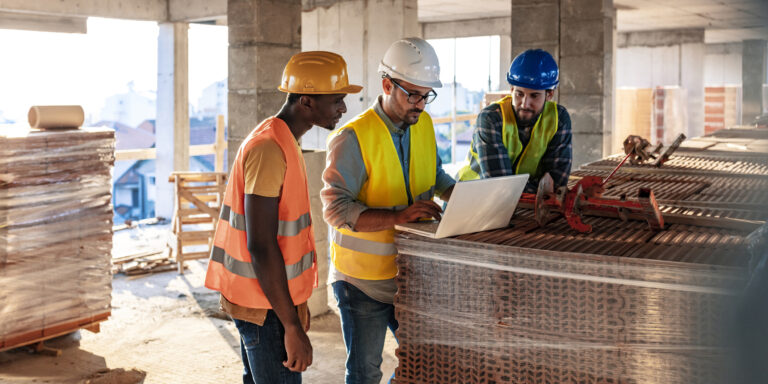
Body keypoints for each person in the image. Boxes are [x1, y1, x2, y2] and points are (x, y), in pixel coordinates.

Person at [204, 51, 361, 384]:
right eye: (336, 100)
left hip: (269, 299)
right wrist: (290, 325)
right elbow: (260, 245)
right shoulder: (269, 149)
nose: (343, 108)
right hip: (265, 307)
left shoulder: (283, 140)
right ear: (306, 101)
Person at [321, 37, 456, 384]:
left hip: (412, 275)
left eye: (427, 95)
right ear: (386, 85)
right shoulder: (353, 137)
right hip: (361, 283)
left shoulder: (422, 124)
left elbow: (435, 174)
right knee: (365, 373)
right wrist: (399, 216)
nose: (421, 105)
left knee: (425, 364)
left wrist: (459, 194)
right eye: (413, 94)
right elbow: (337, 210)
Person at [457, 49, 572, 194]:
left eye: (534, 96)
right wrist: (543, 190)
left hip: (519, 205)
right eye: (519, 94)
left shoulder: (559, 119)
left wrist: (548, 190)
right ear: (511, 89)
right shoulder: (491, 118)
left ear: (549, 94)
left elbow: (557, 182)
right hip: (470, 199)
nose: (525, 103)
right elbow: (500, 186)